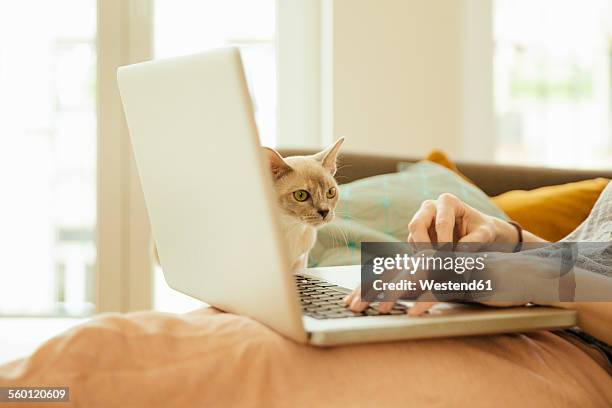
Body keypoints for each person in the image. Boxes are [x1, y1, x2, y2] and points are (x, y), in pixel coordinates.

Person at [344, 182, 612, 354]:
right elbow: (596, 263)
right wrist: (507, 239)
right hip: (541, 320)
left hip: (581, 355)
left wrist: (538, 275)